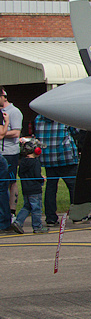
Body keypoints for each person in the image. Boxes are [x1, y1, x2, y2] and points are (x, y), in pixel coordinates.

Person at [33, 114, 78, 227]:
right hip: (65, 156)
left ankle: (50, 217)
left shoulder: (38, 118)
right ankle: (77, 215)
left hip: (48, 157)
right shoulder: (64, 116)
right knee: (73, 187)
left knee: (51, 188)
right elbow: (76, 131)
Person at [0, 89, 22, 234]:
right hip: (1, 153)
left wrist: (3, 129)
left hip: (9, 152)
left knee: (10, 182)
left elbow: (16, 132)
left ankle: (11, 212)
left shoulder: (14, 112)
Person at [14, 137, 45, 234]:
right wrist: (42, 179)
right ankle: (37, 227)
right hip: (35, 189)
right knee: (36, 208)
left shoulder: (23, 162)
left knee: (27, 206)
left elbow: (20, 174)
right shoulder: (35, 162)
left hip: (26, 189)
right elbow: (36, 175)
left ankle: (18, 222)